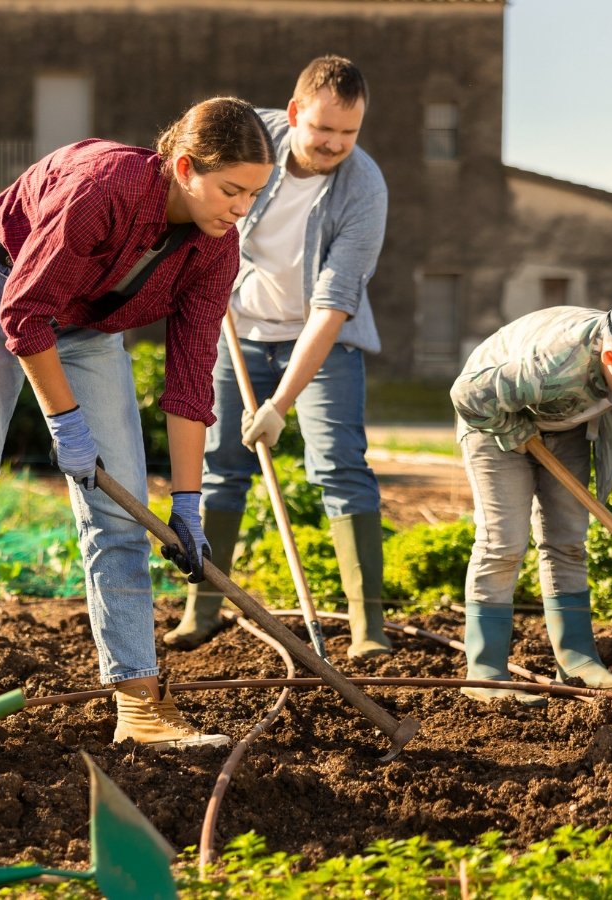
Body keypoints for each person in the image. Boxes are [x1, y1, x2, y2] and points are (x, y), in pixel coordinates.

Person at [0, 97, 276, 749]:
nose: (240, 208)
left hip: (90, 329)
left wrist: (188, 502)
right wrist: (67, 424)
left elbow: (190, 379)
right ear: (186, 167)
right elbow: (25, 315)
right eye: (231, 190)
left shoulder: (215, 250)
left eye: (253, 194)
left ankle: (139, 704)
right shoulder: (102, 188)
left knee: (120, 517)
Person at [163, 56, 393, 660]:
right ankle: (201, 609)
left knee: (342, 468)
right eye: (323, 130)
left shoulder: (364, 189)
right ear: (293, 115)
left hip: (322, 342)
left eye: (349, 133)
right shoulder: (252, 138)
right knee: (221, 467)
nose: (335, 144)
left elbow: (334, 304)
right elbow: (191, 176)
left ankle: (369, 628)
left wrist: (280, 403)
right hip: (238, 326)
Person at [450, 287, 612, 705]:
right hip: (491, 418)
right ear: (611, 358)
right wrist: (516, 432)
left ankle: (577, 662)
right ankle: (486, 675)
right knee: (503, 543)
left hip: (560, 420)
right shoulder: (556, 362)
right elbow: (467, 394)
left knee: (568, 539)